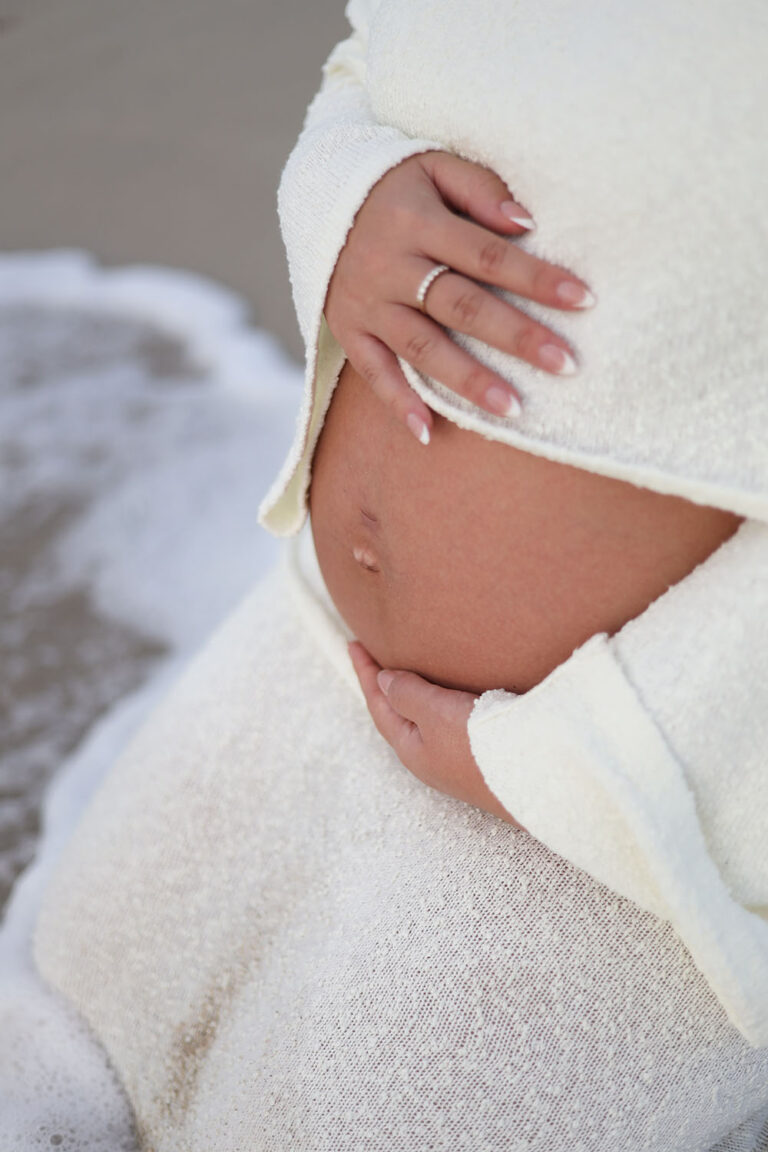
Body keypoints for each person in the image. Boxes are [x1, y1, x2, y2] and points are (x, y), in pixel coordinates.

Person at [32, 0, 768, 1148]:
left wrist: (570, 765)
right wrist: (353, 204)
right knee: (78, 1004)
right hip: (310, 649)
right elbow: (376, 61)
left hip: (609, 832)